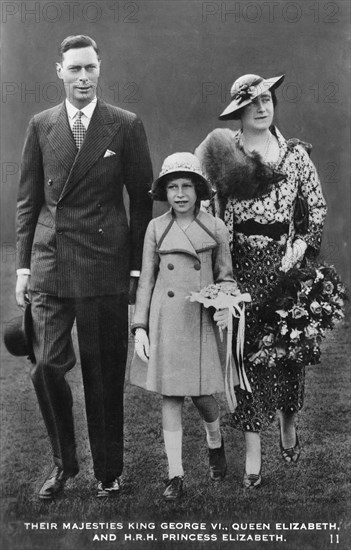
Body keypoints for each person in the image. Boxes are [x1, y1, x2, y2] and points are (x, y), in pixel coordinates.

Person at [15, 35, 153, 499]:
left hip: (104, 268)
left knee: (103, 373)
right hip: (51, 266)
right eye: (74, 69)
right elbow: (28, 202)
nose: (83, 77)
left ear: (100, 68)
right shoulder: (40, 125)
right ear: (60, 71)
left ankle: (109, 472)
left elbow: (142, 201)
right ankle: (64, 463)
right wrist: (21, 270)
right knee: (46, 367)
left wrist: (135, 270)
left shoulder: (125, 125)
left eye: (90, 68)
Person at [196, 73, 327, 488]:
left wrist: (301, 247)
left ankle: (288, 424)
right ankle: (254, 449)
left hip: (287, 268)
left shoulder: (295, 156)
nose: (262, 107)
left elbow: (317, 207)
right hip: (240, 270)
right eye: (251, 102)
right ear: (238, 111)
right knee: (247, 359)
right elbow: (204, 206)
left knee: (287, 354)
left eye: (267, 99)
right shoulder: (221, 154)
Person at [129, 152, 234, 501]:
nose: (180, 194)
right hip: (167, 319)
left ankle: (214, 441)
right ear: (164, 192)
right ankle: (175, 473)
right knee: (171, 396)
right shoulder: (156, 228)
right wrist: (140, 326)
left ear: (199, 189)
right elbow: (146, 280)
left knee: (204, 396)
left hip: (201, 321)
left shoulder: (214, 227)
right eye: (172, 186)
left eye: (187, 185)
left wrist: (225, 303)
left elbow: (227, 278)